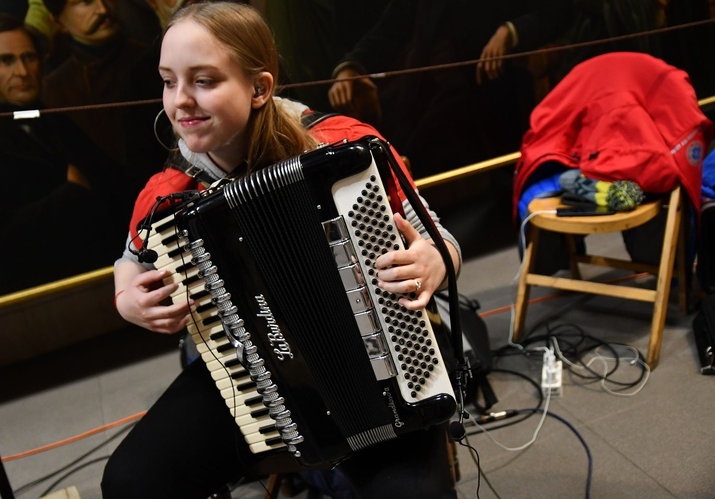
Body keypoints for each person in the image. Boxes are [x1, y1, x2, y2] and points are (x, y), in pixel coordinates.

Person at [101, 2, 463, 498]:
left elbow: (442, 239)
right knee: (133, 480)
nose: (180, 100)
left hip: (387, 361)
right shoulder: (169, 194)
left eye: (203, 80)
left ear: (259, 88)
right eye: (168, 81)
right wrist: (126, 297)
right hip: (248, 374)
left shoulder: (347, 148)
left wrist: (435, 260)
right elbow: (129, 260)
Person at [0, 12, 130, 297]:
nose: (22, 71)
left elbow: (117, 187)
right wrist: (72, 191)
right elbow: (0, 237)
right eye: (5, 61)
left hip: (101, 275)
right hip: (35, 294)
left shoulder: (56, 120)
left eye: (28, 57)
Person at [327, 0, 573, 178]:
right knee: (387, 140)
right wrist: (349, 68)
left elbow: (557, 12)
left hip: (490, 85)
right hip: (428, 86)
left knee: (413, 150)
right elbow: (390, 30)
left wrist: (511, 30)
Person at [40, 0, 166, 184]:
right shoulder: (54, 91)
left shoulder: (156, 61)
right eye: (86, 2)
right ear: (57, 21)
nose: (102, 9)